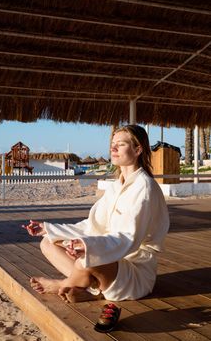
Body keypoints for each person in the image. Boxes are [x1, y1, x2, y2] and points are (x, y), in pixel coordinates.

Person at [23, 124, 170, 302]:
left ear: (138, 149)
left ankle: (62, 284)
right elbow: (92, 226)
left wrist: (89, 246)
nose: (113, 148)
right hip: (109, 257)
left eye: (121, 144)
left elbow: (128, 238)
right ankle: (88, 287)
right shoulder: (117, 186)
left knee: (87, 258)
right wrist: (49, 229)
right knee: (48, 243)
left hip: (134, 270)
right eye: (112, 144)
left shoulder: (144, 187)